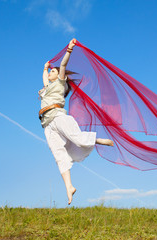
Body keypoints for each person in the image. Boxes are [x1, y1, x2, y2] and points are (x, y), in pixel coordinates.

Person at [39, 38, 114, 205]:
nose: (50, 73)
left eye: (53, 71)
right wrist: (45, 68)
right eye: (50, 72)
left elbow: (63, 66)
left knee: (77, 138)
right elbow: (45, 78)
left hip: (58, 117)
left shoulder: (59, 83)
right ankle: (69, 187)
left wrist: (69, 50)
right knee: (59, 155)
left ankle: (98, 140)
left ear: (59, 75)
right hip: (47, 124)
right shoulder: (47, 89)